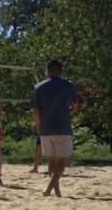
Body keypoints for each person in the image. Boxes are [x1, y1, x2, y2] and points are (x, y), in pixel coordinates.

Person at [32, 59, 78, 197]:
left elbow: (35, 111)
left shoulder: (38, 87)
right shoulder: (69, 85)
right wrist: (68, 113)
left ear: (48, 70)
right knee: (62, 160)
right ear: (60, 70)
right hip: (62, 126)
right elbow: (75, 106)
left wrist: (38, 125)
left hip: (45, 128)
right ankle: (48, 190)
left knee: (51, 160)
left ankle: (57, 191)